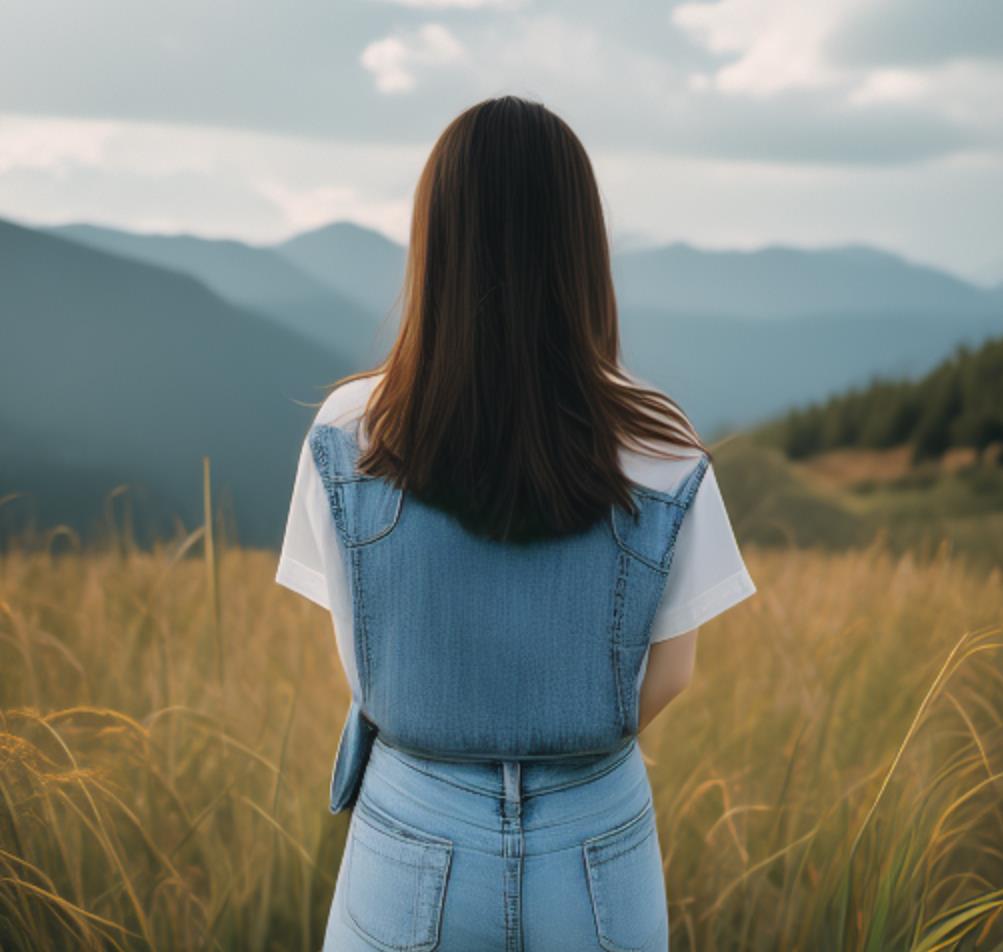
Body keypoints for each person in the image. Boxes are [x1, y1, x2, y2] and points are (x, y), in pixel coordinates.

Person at [275, 95, 757, 952]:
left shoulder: (350, 429)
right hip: (596, 839)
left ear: (435, 240)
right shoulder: (659, 441)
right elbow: (672, 673)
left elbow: (361, 657)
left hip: (412, 822)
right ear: (581, 245)